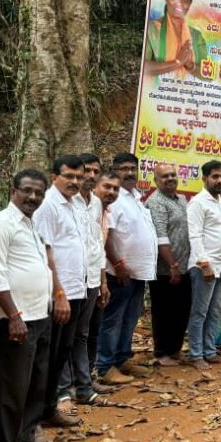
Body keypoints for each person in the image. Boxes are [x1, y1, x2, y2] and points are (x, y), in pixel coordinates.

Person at [0, 170, 66, 442]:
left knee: (35, 385)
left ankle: (27, 436)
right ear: (13, 190)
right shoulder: (0, 225)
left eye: (38, 193)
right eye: (27, 191)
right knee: (13, 387)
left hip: (39, 315)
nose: (33, 197)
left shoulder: (31, 224)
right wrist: (13, 316)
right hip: (16, 320)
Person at [32, 156, 91, 427]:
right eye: (69, 176)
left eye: (79, 177)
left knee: (62, 352)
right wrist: (59, 294)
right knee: (50, 355)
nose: (75, 181)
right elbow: (46, 251)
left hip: (76, 290)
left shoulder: (74, 204)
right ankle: (39, 413)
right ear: (54, 176)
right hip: (60, 293)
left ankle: (49, 408)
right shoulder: (48, 205)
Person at [97, 153, 157, 383]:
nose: (130, 172)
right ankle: (104, 367)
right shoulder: (113, 199)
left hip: (138, 273)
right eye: (124, 168)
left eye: (133, 168)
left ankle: (122, 359)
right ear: (114, 170)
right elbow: (107, 236)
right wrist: (118, 264)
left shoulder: (135, 197)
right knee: (113, 320)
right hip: (119, 273)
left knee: (130, 319)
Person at [186, 160, 221, 371]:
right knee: (200, 312)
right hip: (205, 267)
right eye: (215, 176)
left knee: (215, 311)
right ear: (204, 178)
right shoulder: (198, 203)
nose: (219, 180)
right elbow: (194, 235)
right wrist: (204, 264)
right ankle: (196, 354)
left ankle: (210, 351)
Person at [146, 163, 192, 367]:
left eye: (173, 175)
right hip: (165, 269)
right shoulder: (155, 202)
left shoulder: (181, 199)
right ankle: (161, 352)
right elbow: (161, 236)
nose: (170, 178)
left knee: (181, 310)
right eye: (165, 176)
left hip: (184, 267)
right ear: (156, 180)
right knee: (164, 311)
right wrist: (172, 266)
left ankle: (175, 349)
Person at [74, 154, 109, 389]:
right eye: (87, 170)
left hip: (93, 277)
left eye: (96, 171)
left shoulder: (96, 203)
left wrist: (103, 281)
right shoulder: (68, 201)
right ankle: (70, 386)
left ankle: (85, 380)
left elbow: (97, 243)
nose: (91, 175)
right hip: (72, 279)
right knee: (71, 335)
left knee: (86, 332)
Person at [89, 171, 121, 374]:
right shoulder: (88, 212)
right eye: (107, 187)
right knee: (79, 334)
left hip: (96, 279)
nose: (111, 192)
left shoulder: (105, 213)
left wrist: (103, 283)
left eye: (115, 189)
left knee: (92, 331)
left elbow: (98, 250)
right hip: (79, 282)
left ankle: (90, 377)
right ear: (95, 187)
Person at [144, 0, 206, 79]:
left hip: (189, 88)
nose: (179, 3)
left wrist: (190, 65)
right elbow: (144, 67)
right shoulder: (152, 29)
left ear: (190, 3)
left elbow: (208, 75)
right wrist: (177, 62)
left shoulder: (196, 35)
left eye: (185, 0)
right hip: (159, 89)